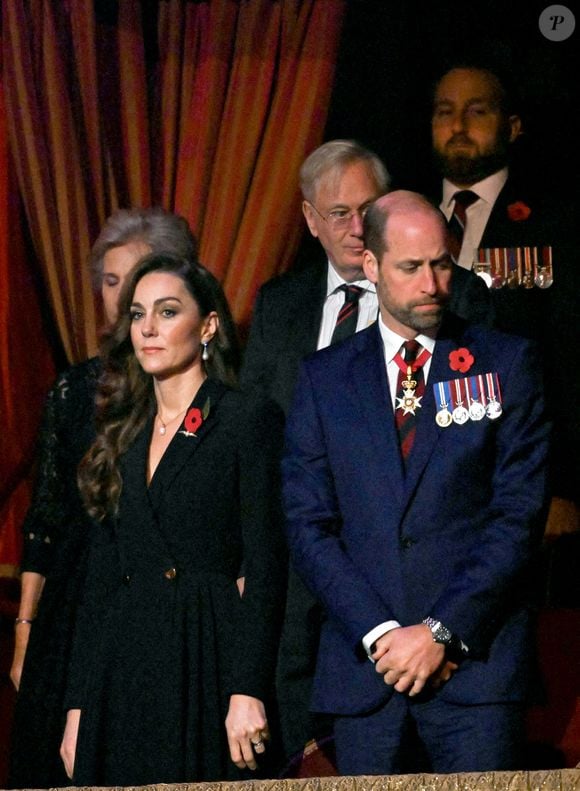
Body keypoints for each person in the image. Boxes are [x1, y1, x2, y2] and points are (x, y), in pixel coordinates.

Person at [240, 139, 491, 772]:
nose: (356, 229)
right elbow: (260, 442)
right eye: (339, 213)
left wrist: (424, 631)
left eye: (367, 210)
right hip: (306, 581)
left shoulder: (455, 300)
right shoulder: (280, 306)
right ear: (309, 220)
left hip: (427, 604)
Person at [282, 190, 550, 775]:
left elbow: (518, 516)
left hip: (476, 673)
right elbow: (308, 525)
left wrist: (440, 632)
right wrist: (382, 636)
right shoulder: (325, 379)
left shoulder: (505, 364)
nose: (431, 283)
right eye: (410, 267)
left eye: (441, 263)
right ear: (372, 266)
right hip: (367, 677)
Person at [59, 253, 286, 786]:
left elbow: (268, 561)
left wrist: (246, 688)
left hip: (205, 651)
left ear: (207, 325)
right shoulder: (123, 432)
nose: (149, 330)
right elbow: (101, 582)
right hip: (126, 662)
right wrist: (78, 707)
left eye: (167, 312)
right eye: (138, 315)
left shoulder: (244, 417)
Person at [8, 207, 201, 789]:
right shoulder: (73, 388)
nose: (121, 298)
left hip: (154, 600)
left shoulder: (191, 389)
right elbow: (46, 517)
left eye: (137, 279)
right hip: (72, 605)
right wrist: (24, 629)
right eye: (111, 282)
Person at [431, 60, 580, 516]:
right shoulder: (400, 217)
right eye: (444, 111)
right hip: (417, 475)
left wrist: (565, 484)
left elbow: (568, 359)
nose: (457, 126)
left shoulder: (553, 226)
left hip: (514, 477)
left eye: (476, 112)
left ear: (512, 126)